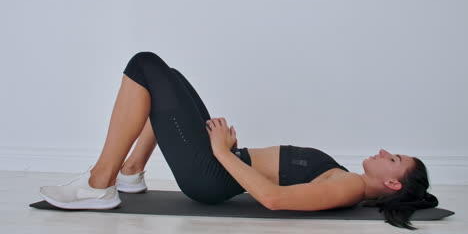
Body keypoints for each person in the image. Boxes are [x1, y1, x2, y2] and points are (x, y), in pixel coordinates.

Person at [39, 52, 438, 230]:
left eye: (394, 158)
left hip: (210, 174)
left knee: (144, 66)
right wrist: (228, 153)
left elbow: (274, 200)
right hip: (220, 163)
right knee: (168, 76)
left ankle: (100, 185)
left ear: (393, 183)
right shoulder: (344, 177)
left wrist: (220, 153)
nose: (385, 152)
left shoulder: (349, 186)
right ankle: (129, 173)